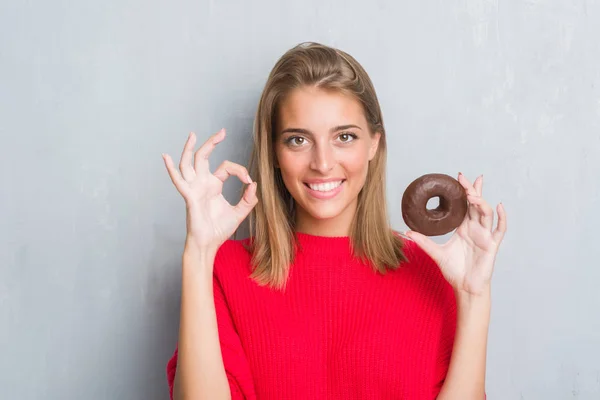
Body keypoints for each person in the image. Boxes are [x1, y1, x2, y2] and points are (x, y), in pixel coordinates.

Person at [161, 42, 506, 400]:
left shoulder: (429, 272)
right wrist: (199, 252)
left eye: (344, 137)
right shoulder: (224, 270)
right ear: (275, 153)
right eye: (298, 140)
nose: (323, 163)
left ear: (374, 143)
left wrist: (473, 297)